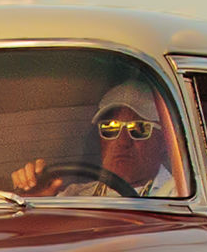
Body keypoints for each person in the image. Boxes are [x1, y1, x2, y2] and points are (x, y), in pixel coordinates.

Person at [11, 80, 185, 199]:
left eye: (138, 128)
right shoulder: (75, 195)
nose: (122, 142)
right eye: (110, 128)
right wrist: (34, 200)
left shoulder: (180, 195)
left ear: (164, 142)